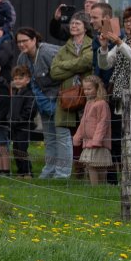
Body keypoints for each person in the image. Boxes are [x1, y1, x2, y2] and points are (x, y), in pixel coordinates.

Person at [97, 6, 131, 187]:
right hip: (122, 99)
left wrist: (120, 43)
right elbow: (105, 64)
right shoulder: (125, 41)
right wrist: (104, 47)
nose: (129, 24)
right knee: (127, 142)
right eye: (126, 21)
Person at [14, 28, 67, 178]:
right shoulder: (22, 58)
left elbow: (66, 71)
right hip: (42, 102)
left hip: (59, 99)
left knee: (62, 137)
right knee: (49, 138)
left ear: (34, 40)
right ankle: (49, 170)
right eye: (19, 42)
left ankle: (62, 174)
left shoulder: (47, 52)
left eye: (25, 40)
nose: (22, 44)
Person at [50, 13, 95, 175]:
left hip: (89, 94)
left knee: (88, 132)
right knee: (67, 133)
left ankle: (89, 169)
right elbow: (54, 72)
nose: (73, 26)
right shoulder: (64, 48)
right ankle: (70, 171)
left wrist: (66, 66)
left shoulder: (92, 45)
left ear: (85, 26)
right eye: (71, 23)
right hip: (68, 96)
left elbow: (88, 61)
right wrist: (77, 66)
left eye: (77, 23)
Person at [73, 75, 112, 185]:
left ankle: (100, 187)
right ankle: (94, 188)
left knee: (99, 165)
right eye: (84, 89)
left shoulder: (102, 104)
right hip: (88, 141)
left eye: (89, 89)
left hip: (98, 143)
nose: (86, 92)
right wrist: (77, 136)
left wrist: (97, 140)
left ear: (97, 88)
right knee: (90, 165)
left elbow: (102, 123)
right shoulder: (88, 103)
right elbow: (83, 122)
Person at [8, 65, 37, 178]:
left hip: (24, 126)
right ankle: (21, 171)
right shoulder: (15, 93)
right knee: (16, 149)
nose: (17, 81)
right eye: (15, 79)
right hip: (14, 126)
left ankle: (28, 172)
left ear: (28, 79)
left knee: (22, 149)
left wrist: (20, 120)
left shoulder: (29, 94)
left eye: (20, 78)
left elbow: (29, 111)